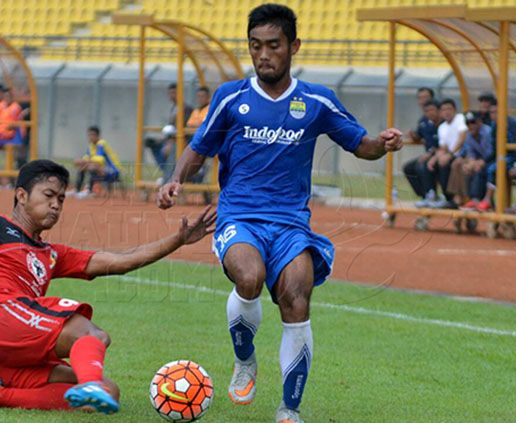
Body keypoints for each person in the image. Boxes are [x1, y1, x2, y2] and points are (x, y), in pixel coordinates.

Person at [156, 5, 403, 422]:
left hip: (291, 222)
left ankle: (289, 410)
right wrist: (175, 178)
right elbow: (199, 148)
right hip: (240, 215)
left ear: (293, 47)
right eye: (256, 46)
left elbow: (361, 144)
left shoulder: (317, 100)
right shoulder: (231, 97)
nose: (264, 54)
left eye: (273, 45)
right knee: (249, 277)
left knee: (295, 298)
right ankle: (245, 359)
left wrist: (384, 142)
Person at [0, 159, 216, 415]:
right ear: (21, 196)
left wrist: (177, 241)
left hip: (3, 356)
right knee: (90, 333)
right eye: (49, 195)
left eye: (61, 198)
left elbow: (117, 260)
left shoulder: (51, 254)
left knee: (106, 393)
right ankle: (82, 381)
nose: (57, 204)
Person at [477, 100, 516, 212]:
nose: (494, 115)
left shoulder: (514, 125)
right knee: (483, 168)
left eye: (497, 112)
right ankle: (480, 200)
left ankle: (488, 199)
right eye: (491, 112)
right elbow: (494, 149)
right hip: (502, 158)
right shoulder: (494, 126)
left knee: (494, 168)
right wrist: (483, 161)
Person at [145, 83, 193, 183]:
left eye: (174, 93)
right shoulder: (174, 108)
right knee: (150, 142)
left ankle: (168, 180)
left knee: (172, 149)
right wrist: (164, 140)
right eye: (170, 93)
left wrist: (171, 142)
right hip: (171, 140)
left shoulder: (186, 108)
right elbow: (171, 128)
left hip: (182, 141)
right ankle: (167, 173)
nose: (172, 95)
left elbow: (185, 130)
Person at [447, 111, 493, 209]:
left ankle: (474, 199)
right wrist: (471, 163)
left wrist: (479, 162)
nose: (470, 125)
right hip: (478, 160)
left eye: (473, 122)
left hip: (491, 160)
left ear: (480, 122)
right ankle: (460, 197)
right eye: (467, 123)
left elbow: (491, 153)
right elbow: (470, 153)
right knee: (459, 164)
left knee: (477, 168)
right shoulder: (468, 134)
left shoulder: (488, 132)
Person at [426, 98, 467, 208]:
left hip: (464, 155)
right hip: (451, 155)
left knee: (448, 163)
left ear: (455, 110)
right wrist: (434, 158)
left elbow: (462, 139)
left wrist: (450, 154)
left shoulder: (460, 119)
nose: (447, 112)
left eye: (449, 108)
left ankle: (456, 199)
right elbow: (443, 147)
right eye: (444, 109)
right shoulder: (442, 127)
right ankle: (438, 197)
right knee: (433, 164)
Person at [405, 96, 441, 207]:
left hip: (440, 154)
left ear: (438, 110)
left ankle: (431, 195)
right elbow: (419, 135)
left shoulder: (443, 123)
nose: (429, 113)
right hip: (428, 155)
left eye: (432, 110)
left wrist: (430, 153)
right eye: (427, 111)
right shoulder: (424, 122)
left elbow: (444, 145)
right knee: (408, 168)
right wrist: (413, 135)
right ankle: (425, 195)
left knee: (423, 165)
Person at [72, 126, 122, 197]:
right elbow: (86, 158)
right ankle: (77, 190)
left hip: (113, 170)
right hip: (102, 169)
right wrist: (80, 161)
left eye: (93, 135)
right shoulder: (91, 145)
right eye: (89, 135)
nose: (90, 137)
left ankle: (89, 190)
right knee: (83, 166)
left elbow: (100, 159)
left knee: (92, 166)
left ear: (98, 136)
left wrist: (85, 162)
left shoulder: (102, 143)